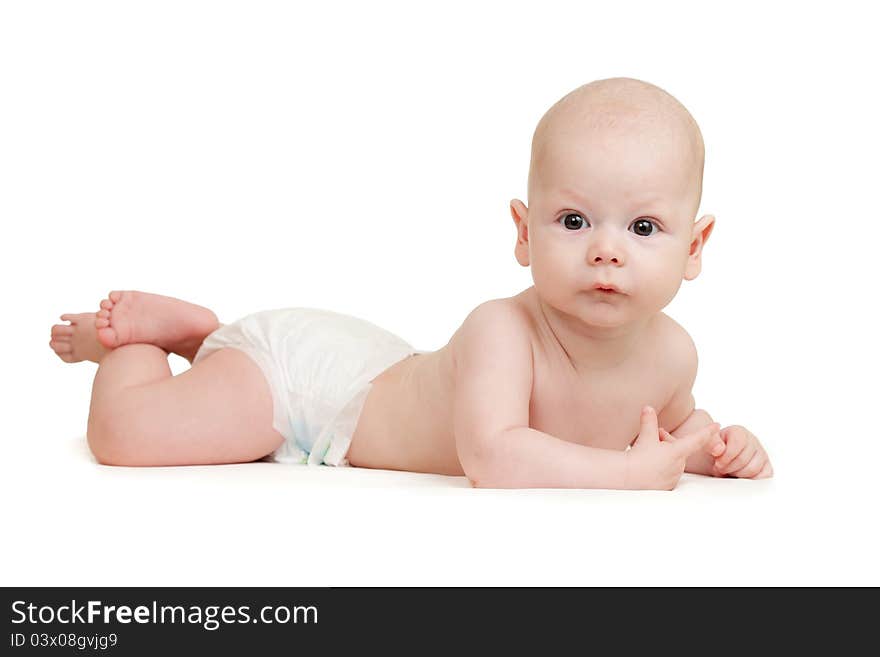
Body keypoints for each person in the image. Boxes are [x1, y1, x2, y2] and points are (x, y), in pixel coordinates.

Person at [48, 76, 772, 490]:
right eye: (574, 219)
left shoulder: (675, 355)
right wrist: (627, 478)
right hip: (310, 388)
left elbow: (667, 437)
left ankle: (206, 339)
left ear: (695, 244)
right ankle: (137, 348)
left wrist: (717, 449)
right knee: (126, 436)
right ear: (524, 233)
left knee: (199, 403)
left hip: (375, 367)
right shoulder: (503, 329)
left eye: (643, 228)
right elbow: (493, 455)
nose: (606, 252)